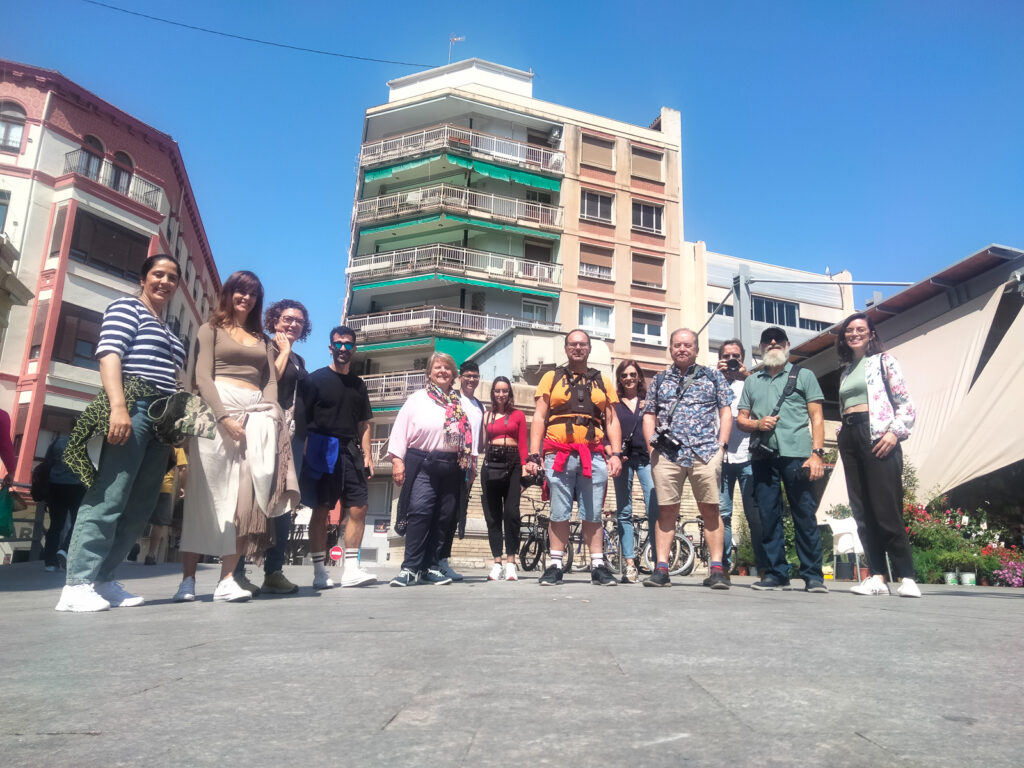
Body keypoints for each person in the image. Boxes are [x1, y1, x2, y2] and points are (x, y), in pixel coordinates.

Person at [56, 254, 185, 612]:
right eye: (158, 274)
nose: (165, 282)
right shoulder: (127, 308)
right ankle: (76, 584)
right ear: (143, 278)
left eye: (172, 277)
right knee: (110, 495)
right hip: (134, 404)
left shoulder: (169, 330)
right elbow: (110, 354)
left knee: (141, 505)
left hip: (162, 420)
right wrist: (118, 407)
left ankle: (103, 579)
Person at [174, 270, 297, 603]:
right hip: (215, 411)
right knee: (206, 495)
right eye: (240, 291)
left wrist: (270, 413)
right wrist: (223, 417)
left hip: (255, 415)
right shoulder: (210, 329)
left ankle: (227, 578)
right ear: (229, 293)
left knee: (247, 498)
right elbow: (202, 375)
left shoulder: (261, 339)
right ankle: (187, 580)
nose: (246, 298)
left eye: (253, 293)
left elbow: (270, 379)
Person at [524, 330, 622, 587]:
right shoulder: (551, 377)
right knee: (559, 511)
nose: (578, 348)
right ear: (566, 349)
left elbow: (611, 420)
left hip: (594, 455)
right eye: (573, 344)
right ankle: (555, 565)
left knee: (593, 513)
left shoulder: (603, 380)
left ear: (589, 349)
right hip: (559, 454)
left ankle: (598, 566)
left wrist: (617, 454)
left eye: (582, 344)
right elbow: (539, 417)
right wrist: (533, 455)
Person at [736, 326, 828, 593]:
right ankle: (776, 574)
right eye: (767, 340)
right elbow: (741, 419)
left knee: (804, 514)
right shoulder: (752, 381)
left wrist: (817, 454)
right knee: (768, 516)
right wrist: (757, 424)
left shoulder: (804, 375)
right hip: (763, 456)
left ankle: (813, 575)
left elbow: (817, 418)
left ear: (787, 345)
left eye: (778, 340)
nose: (773, 343)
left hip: (798, 455)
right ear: (761, 348)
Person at [836, 313, 921, 598]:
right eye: (849, 330)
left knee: (886, 509)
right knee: (862, 511)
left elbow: (905, 405)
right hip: (850, 437)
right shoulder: (846, 370)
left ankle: (906, 576)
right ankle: (877, 576)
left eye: (861, 329)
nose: (854, 333)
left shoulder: (885, 361)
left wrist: (894, 432)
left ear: (871, 334)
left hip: (878, 436)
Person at [641, 329, 734, 589]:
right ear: (670, 348)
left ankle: (716, 569)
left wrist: (722, 447)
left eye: (688, 345)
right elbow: (649, 414)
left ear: (696, 349)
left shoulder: (713, 376)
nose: (682, 349)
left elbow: (725, 412)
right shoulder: (660, 379)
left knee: (711, 509)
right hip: (668, 455)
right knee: (667, 509)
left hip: (705, 452)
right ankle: (661, 568)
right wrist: (651, 448)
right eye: (677, 345)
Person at [241, 299, 310, 595]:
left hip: (291, 436)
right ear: (273, 320)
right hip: (265, 429)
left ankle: (274, 570)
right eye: (287, 318)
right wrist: (283, 351)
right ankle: (236, 569)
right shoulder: (265, 345)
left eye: (298, 320)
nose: (293, 324)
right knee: (253, 496)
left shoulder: (299, 359)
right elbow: (271, 379)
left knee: (284, 503)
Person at [299, 325, 376, 589]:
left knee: (359, 507)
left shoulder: (359, 385)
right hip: (322, 447)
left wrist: (367, 454)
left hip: (351, 450)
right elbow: (302, 421)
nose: (343, 348)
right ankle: (320, 572)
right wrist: (306, 453)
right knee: (321, 510)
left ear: (354, 349)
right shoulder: (314, 380)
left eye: (348, 344)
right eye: (338, 344)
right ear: (331, 347)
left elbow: (365, 423)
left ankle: (351, 569)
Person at [388, 352, 472, 587]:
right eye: (438, 367)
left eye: (447, 368)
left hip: (452, 465)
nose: (442, 371)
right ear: (429, 373)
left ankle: (432, 567)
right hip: (422, 461)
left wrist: (469, 462)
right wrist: (397, 460)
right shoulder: (417, 398)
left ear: (454, 374)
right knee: (420, 511)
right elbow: (400, 429)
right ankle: (410, 568)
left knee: (444, 516)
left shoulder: (459, 403)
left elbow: (468, 435)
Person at [716, 339, 767, 578]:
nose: (731, 360)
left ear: (743, 358)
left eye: (735, 356)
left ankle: (764, 567)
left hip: (748, 455)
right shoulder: (712, 380)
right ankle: (722, 568)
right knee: (722, 514)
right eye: (726, 356)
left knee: (754, 514)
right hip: (721, 456)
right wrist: (716, 376)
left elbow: (766, 407)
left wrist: (748, 377)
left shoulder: (752, 382)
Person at [610, 360, 658, 583]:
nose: (628, 378)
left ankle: (660, 561)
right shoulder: (614, 406)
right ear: (619, 379)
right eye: (624, 375)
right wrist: (615, 453)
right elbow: (605, 436)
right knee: (624, 511)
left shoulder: (648, 403)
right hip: (625, 461)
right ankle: (630, 564)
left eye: (632, 374)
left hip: (647, 460)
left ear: (639, 377)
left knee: (654, 508)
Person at [436, 360, 484, 582]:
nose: (471, 380)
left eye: (475, 376)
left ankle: (443, 560)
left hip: (470, 464)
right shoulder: (452, 399)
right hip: (451, 460)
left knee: (457, 512)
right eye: (467, 376)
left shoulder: (479, 405)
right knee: (443, 510)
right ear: (460, 377)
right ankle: (433, 558)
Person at [480, 375, 527, 582]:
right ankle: (496, 562)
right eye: (497, 391)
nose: (501, 394)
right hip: (491, 463)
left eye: (504, 390)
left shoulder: (518, 415)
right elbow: (482, 444)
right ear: (493, 393)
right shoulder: (486, 416)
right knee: (492, 515)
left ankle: (511, 562)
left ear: (510, 393)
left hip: (513, 463)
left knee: (511, 513)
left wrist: (525, 469)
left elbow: (523, 443)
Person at [41, 428, 87, 572]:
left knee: (56, 524)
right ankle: (65, 549)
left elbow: (47, 462)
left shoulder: (58, 442)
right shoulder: (85, 443)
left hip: (55, 486)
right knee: (78, 522)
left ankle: (49, 562)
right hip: (76, 487)